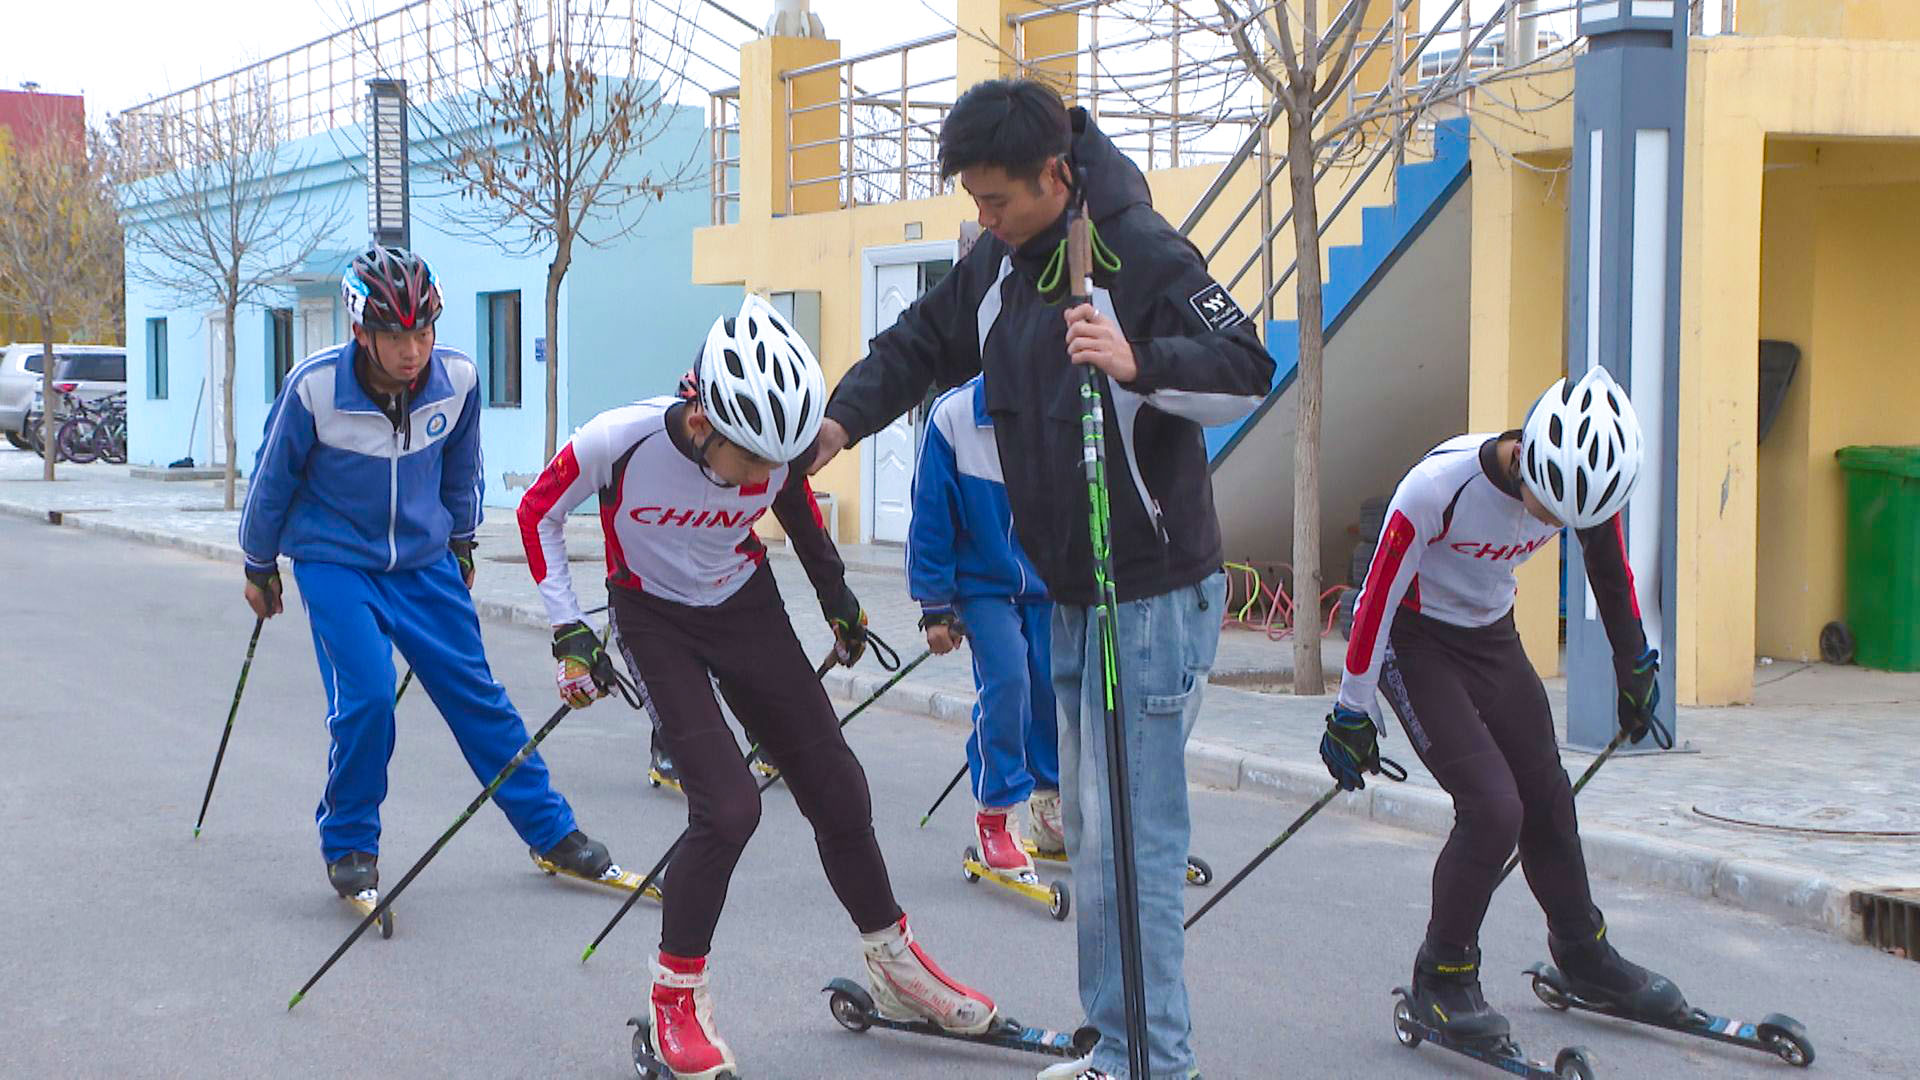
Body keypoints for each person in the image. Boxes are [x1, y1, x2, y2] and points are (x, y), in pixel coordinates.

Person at [810, 78, 1274, 1080]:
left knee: (1130, 846)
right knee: (1091, 842)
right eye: (973, 201)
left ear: (1056, 176)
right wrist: (839, 424)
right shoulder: (1000, 264)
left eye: (998, 200)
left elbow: (1246, 364)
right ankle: (1117, 1049)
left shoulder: (1141, 251)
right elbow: (915, 347)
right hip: (1066, 596)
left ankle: (1156, 1063)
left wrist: (1136, 358)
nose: (982, 219)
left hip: (1146, 595)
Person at [516, 294, 998, 1080]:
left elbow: (798, 510)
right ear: (702, 421)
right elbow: (538, 513)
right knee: (729, 807)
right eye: (753, 460)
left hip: (742, 602)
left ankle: (895, 966)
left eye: (783, 456)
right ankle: (676, 997)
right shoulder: (620, 439)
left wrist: (838, 599)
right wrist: (570, 630)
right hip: (654, 619)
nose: (766, 476)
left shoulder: (769, 453)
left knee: (840, 789)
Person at [238, 244, 624, 906]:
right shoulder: (315, 389)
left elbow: (461, 468)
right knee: (366, 699)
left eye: (422, 332)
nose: (411, 349)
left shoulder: (459, 381)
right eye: (394, 335)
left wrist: (464, 542)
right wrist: (259, 562)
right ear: (361, 332)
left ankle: (552, 832)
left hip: (424, 565)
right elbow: (272, 481)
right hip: (336, 564)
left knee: (480, 699)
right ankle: (351, 844)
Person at [1319, 366, 1686, 1049]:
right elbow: (1373, 602)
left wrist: (1634, 666)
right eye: (1548, 506)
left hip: (1490, 635)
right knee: (1493, 807)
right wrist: (1351, 712)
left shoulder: (1580, 483)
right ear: (1526, 455)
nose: (1551, 523)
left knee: (1546, 795)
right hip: (1414, 638)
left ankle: (1584, 955)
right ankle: (1443, 977)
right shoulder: (1437, 488)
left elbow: (1611, 575)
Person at [908, 374, 1064, 874]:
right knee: (1010, 679)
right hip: (980, 585)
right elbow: (930, 517)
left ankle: (1048, 804)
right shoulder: (954, 419)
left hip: (1047, 581)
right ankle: (995, 813)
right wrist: (935, 606)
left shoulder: (1063, 403)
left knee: (1053, 686)